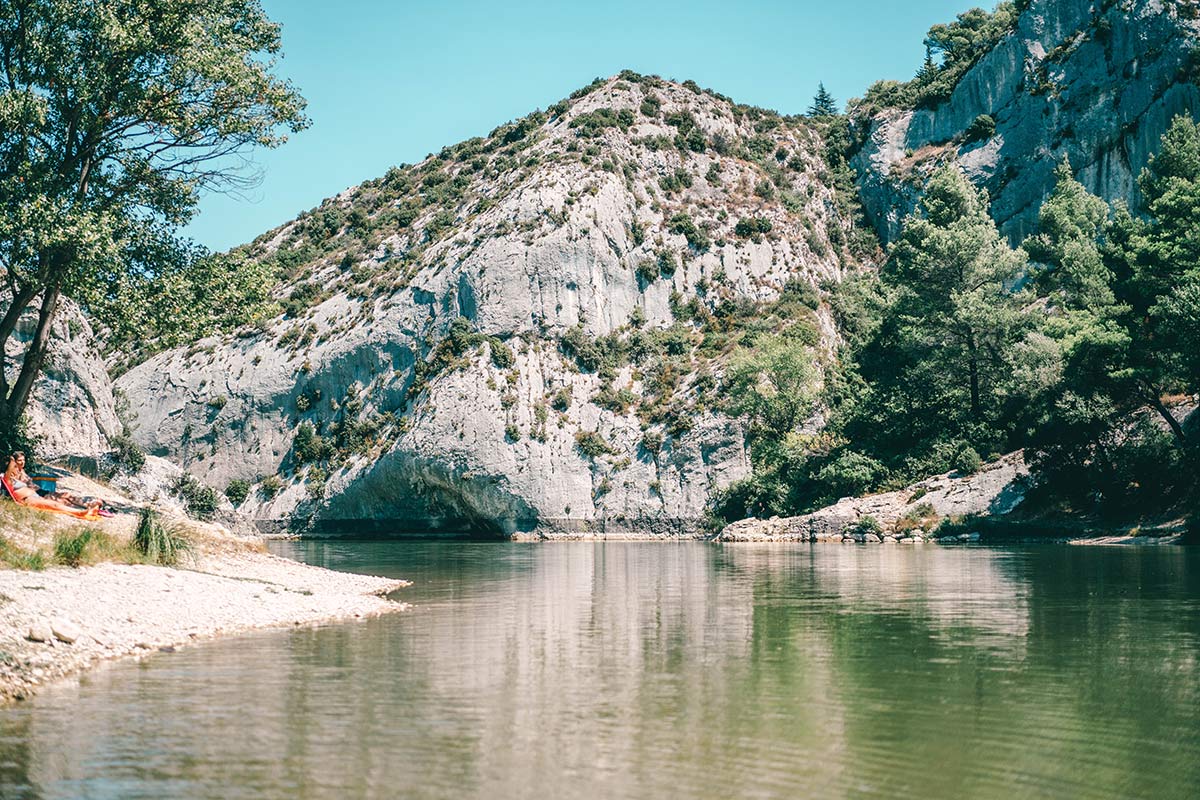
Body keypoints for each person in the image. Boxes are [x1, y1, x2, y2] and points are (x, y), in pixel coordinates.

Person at [4, 452, 103, 518]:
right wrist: (12, 462)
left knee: (66, 495)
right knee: (59, 502)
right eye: (19, 461)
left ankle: (87, 506)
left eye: (23, 460)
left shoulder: (21, 472)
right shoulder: (9, 478)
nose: (22, 463)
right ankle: (81, 511)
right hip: (30, 497)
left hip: (37, 492)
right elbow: (8, 477)